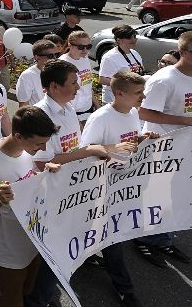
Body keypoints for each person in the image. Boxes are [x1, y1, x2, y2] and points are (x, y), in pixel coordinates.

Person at [26, 60, 109, 307]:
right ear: (53, 86)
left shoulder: (68, 108)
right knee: (51, 252)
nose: (79, 87)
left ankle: (41, 294)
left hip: (72, 189)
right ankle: (36, 299)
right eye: (73, 82)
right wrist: (88, 151)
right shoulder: (40, 115)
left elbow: (74, 146)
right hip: (51, 194)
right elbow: (42, 161)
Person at [0, 106, 61, 307]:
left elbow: (26, 179)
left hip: (31, 233)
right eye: (39, 144)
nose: (42, 149)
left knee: (25, 286)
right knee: (12, 297)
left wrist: (44, 176)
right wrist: (0, 200)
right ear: (18, 136)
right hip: (8, 243)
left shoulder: (24, 152)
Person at [81, 71, 159, 307]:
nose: (143, 96)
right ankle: (124, 287)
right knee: (111, 235)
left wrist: (143, 138)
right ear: (119, 93)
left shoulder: (133, 112)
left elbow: (130, 142)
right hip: (103, 185)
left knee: (102, 230)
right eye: (137, 93)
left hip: (125, 182)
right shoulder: (101, 117)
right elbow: (85, 151)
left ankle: (85, 255)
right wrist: (112, 149)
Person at [135, 32, 192, 267]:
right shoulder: (164, 79)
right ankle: (142, 239)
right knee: (155, 195)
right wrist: (186, 122)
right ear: (186, 53)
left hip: (185, 147)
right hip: (161, 148)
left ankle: (163, 238)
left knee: (177, 195)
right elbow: (143, 112)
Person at [60, 31, 99, 125]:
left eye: (88, 46)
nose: (85, 50)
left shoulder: (85, 59)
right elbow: (61, 93)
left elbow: (87, 85)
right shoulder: (63, 63)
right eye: (81, 47)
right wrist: (74, 118)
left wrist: (97, 104)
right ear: (70, 44)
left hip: (88, 108)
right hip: (73, 112)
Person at [99, 25, 144, 105]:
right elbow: (102, 80)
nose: (133, 40)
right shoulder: (110, 57)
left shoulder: (135, 53)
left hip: (130, 100)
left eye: (134, 36)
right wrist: (127, 85)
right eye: (129, 38)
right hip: (114, 101)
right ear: (119, 40)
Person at [16, 40, 58, 107]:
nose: (54, 58)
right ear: (37, 57)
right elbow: (23, 104)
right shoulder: (27, 76)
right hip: (39, 115)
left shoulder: (60, 71)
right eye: (50, 56)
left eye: (56, 55)